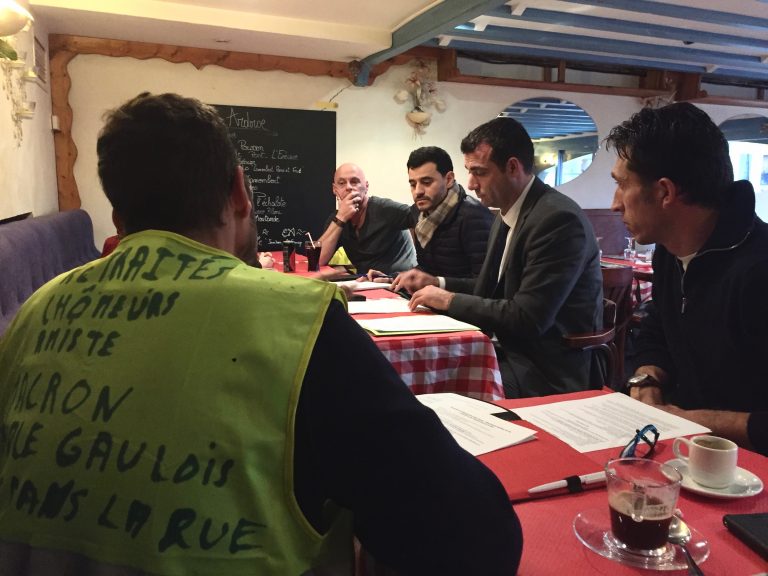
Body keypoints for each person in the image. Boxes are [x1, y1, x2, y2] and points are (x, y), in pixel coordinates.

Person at [0, 93, 523, 575]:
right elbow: (478, 538)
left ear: (118, 213)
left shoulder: (35, 311)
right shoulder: (298, 317)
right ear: (239, 192)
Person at [392, 117, 603, 398]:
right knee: (408, 374)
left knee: (425, 388)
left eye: (479, 172)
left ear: (513, 167)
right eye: (469, 171)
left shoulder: (557, 219)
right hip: (505, 353)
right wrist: (438, 285)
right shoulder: (509, 212)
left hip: (545, 371)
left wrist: (449, 300)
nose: (470, 183)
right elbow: (489, 291)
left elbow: (528, 319)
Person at [607, 102, 768, 455]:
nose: (615, 203)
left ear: (665, 192)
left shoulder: (758, 271)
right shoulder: (670, 250)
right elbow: (655, 332)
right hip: (682, 448)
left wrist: (687, 419)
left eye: (622, 184)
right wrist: (646, 382)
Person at [367, 146, 492, 282]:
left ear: (449, 179)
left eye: (426, 182)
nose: (418, 191)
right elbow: (427, 271)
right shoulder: (419, 213)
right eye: (413, 184)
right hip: (429, 300)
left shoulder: (473, 216)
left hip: (458, 302)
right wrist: (392, 278)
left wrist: (439, 284)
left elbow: (486, 286)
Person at [317, 163, 417, 274]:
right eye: (342, 183)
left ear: (366, 186)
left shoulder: (385, 209)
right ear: (335, 190)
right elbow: (318, 260)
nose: (348, 187)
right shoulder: (337, 219)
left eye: (354, 182)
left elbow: (423, 216)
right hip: (366, 283)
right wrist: (341, 218)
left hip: (400, 285)